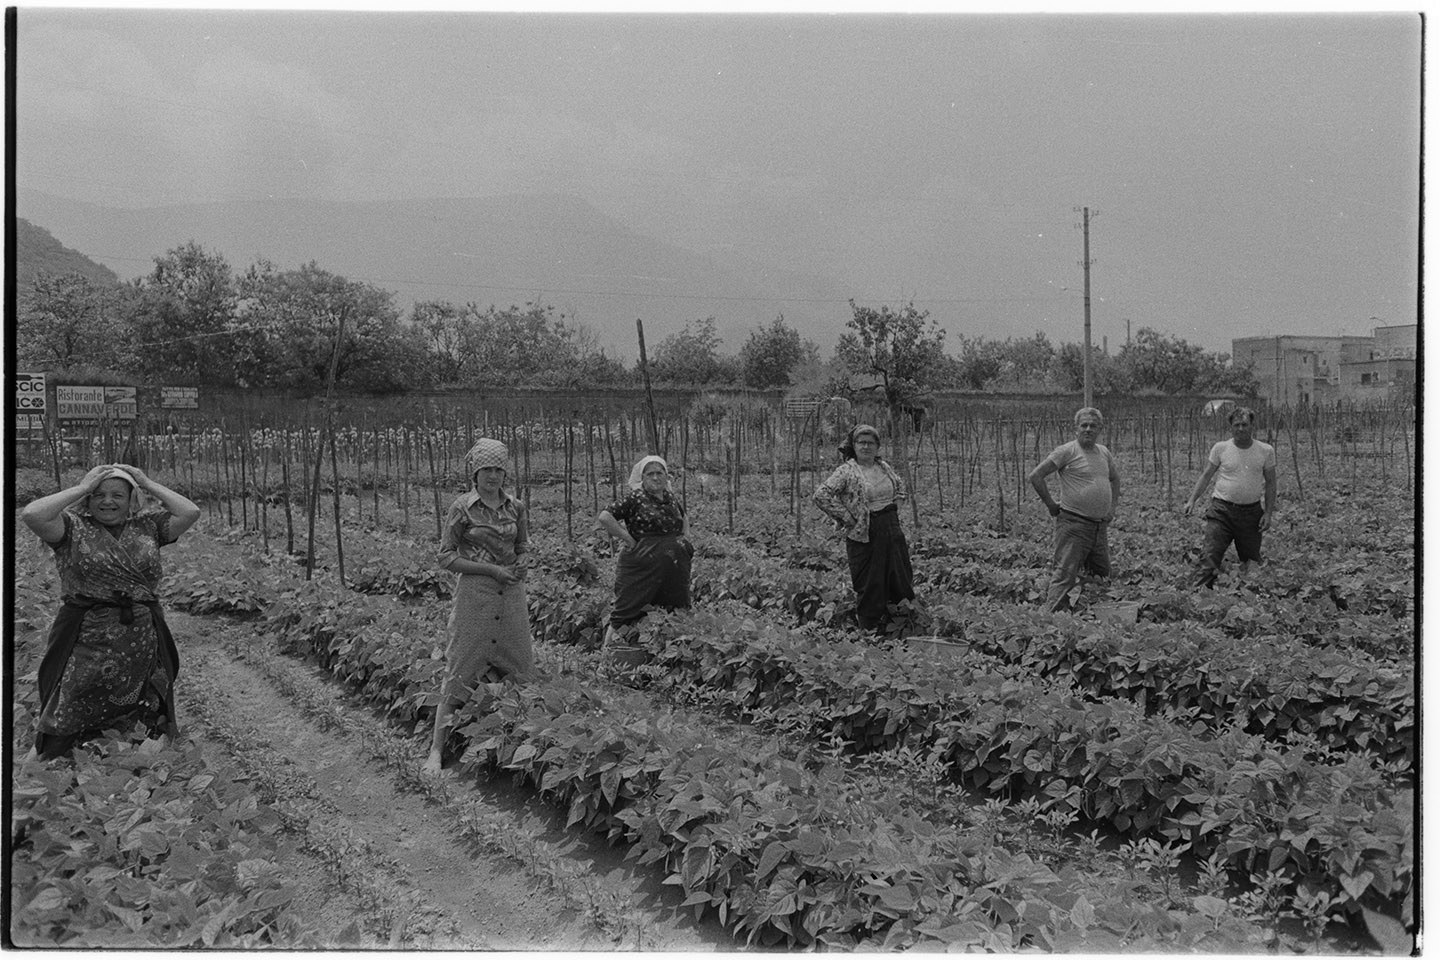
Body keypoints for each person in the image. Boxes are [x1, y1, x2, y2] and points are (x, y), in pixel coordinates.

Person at [19, 463, 202, 759]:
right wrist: (81, 487)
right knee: (70, 702)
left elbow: (190, 512)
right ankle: (55, 764)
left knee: (141, 705)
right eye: (98, 495)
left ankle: (133, 765)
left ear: (132, 501)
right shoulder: (71, 528)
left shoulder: (149, 527)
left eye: (118, 495)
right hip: (86, 638)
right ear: (88, 501)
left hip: (140, 640)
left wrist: (146, 481)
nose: (107, 501)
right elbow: (32, 514)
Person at [424, 438, 532, 775]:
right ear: (475, 473)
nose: (494, 476)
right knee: (460, 666)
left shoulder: (516, 506)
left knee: (521, 666)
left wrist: (523, 562)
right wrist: (491, 570)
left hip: (511, 595)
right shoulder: (462, 507)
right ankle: (436, 752)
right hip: (475, 595)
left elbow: (523, 544)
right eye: (487, 469)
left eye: (499, 469)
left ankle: (521, 744)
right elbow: (445, 556)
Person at [812, 424, 915, 632]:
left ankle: (900, 622)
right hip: (865, 532)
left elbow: (900, 487)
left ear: (877, 446)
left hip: (891, 528)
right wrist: (847, 517)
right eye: (861, 442)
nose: (866, 447)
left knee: (899, 573)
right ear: (854, 445)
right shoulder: (847, 471)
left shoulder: (884, 467)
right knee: (870, 580)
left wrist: (897, 506)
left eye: (870, 443)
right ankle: (868, 629)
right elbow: (821, 495)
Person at [1028, 407, 1121, 612]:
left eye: (1093, 426)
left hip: (1098, 527)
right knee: (1065, 574)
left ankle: (1095, 612)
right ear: (1075, 428)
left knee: (1101, 573)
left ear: (1100, 429)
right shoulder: (1067, 451)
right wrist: (1052, 505)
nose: (1088, 429)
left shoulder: (1103, 452)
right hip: (1074, 524)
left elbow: (1115, 479)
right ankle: (1047, 621)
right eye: (1084, 425)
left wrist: (1111, 508)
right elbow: (1036, 476)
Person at [596, 455, 692, 642]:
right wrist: (630, 540)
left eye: (660, 473)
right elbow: (605, 517)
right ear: (642, 478)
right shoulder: (636, 498)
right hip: (643, 564)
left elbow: (683, 516)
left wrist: (685, 540)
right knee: (627, 607)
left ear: (666, 476)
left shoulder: (669, 497)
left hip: (673, 565)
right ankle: (607, 658)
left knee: (674, 607)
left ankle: (663, 651)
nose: (656, 478)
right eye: (650, 474)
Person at [1183, 406, 1277, 587]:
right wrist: (1191, 500)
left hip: (1251, 513)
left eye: (1244, 424)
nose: (1240, 429)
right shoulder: (1221, 448)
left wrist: (1268, 513)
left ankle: (1250, 600)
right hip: (1221, 511)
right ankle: (1200, 598)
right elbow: (1206, 475)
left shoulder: (1265, 451)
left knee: (1251, 562)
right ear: (1231, 427)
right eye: (1236, 425)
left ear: (1252, 426)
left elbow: (1271, 483)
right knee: (1210, 555)